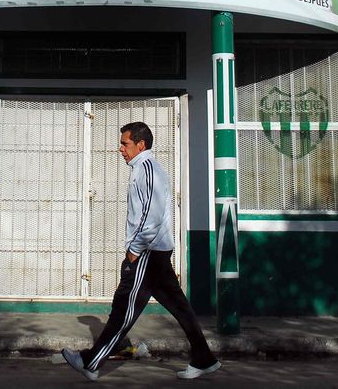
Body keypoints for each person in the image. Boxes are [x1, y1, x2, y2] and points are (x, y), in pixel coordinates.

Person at [62, 121, 221, 381]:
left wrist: (135, 249)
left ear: (141, 144)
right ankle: (204, 358)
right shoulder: (142, 168)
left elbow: (152, 214)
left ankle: (91, 362)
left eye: (125, 143)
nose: (120, 149)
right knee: (179, 307)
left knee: (124, 305)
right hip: (155, 252)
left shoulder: (147, 169)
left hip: (147, 252)